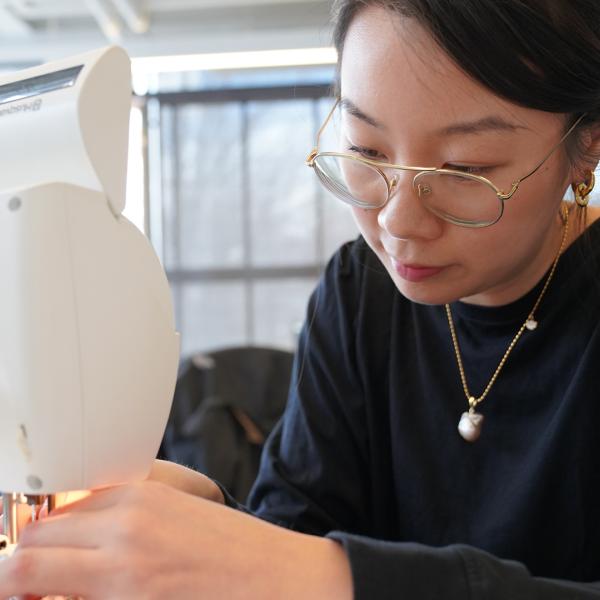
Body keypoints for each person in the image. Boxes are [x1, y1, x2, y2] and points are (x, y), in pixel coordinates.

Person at [1, 0, 600, 597]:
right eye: (366, 151)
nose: (398, 221)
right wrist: (215, 513)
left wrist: (338, 577)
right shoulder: (358, 291)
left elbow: (310, 573)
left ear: (587, 147)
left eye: (465, 168)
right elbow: (296, 530)